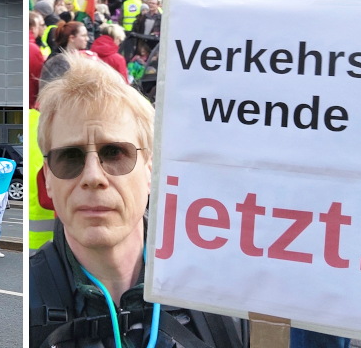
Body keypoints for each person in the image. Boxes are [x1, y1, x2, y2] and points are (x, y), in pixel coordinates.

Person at [29, 52, 244, 346]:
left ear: (151, 171)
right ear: (48, 181)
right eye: (69, 156)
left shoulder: (219, 296)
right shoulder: (22, 306)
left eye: (115, 153)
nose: (93, 176)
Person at [39, 20, 98, 86]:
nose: (87, 39)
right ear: (72, 38)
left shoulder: (82, 56)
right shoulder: (58, 61)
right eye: (83, 36)